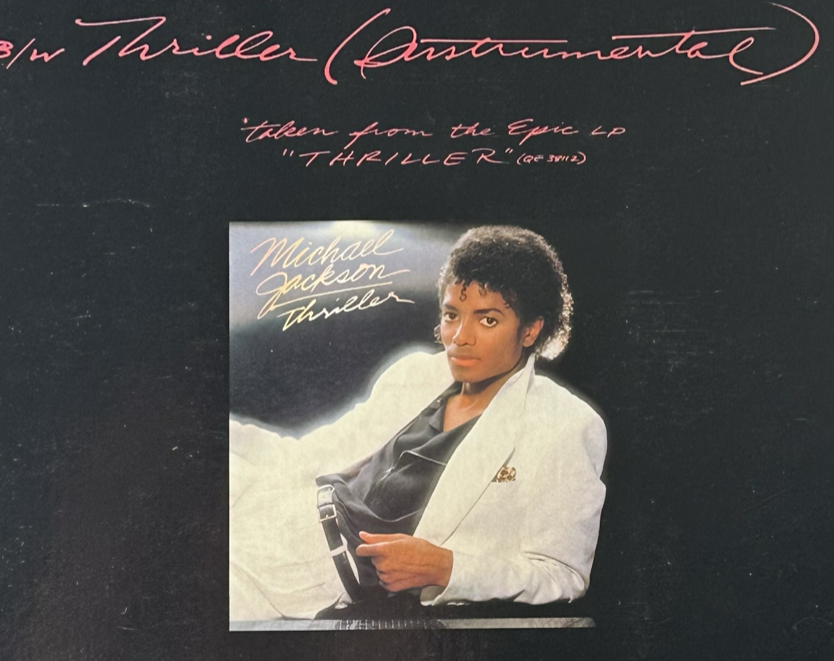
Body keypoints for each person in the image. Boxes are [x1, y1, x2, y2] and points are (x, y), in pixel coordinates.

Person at [229, 225, 607, 621]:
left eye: (488, 320)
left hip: (312, 579)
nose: (460, 337)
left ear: (531, 329)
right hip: (278, 513)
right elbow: (308, 455)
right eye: (451, 315)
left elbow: (563, 575)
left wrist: (447, 568)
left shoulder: (566, 424)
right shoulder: (416, 374)